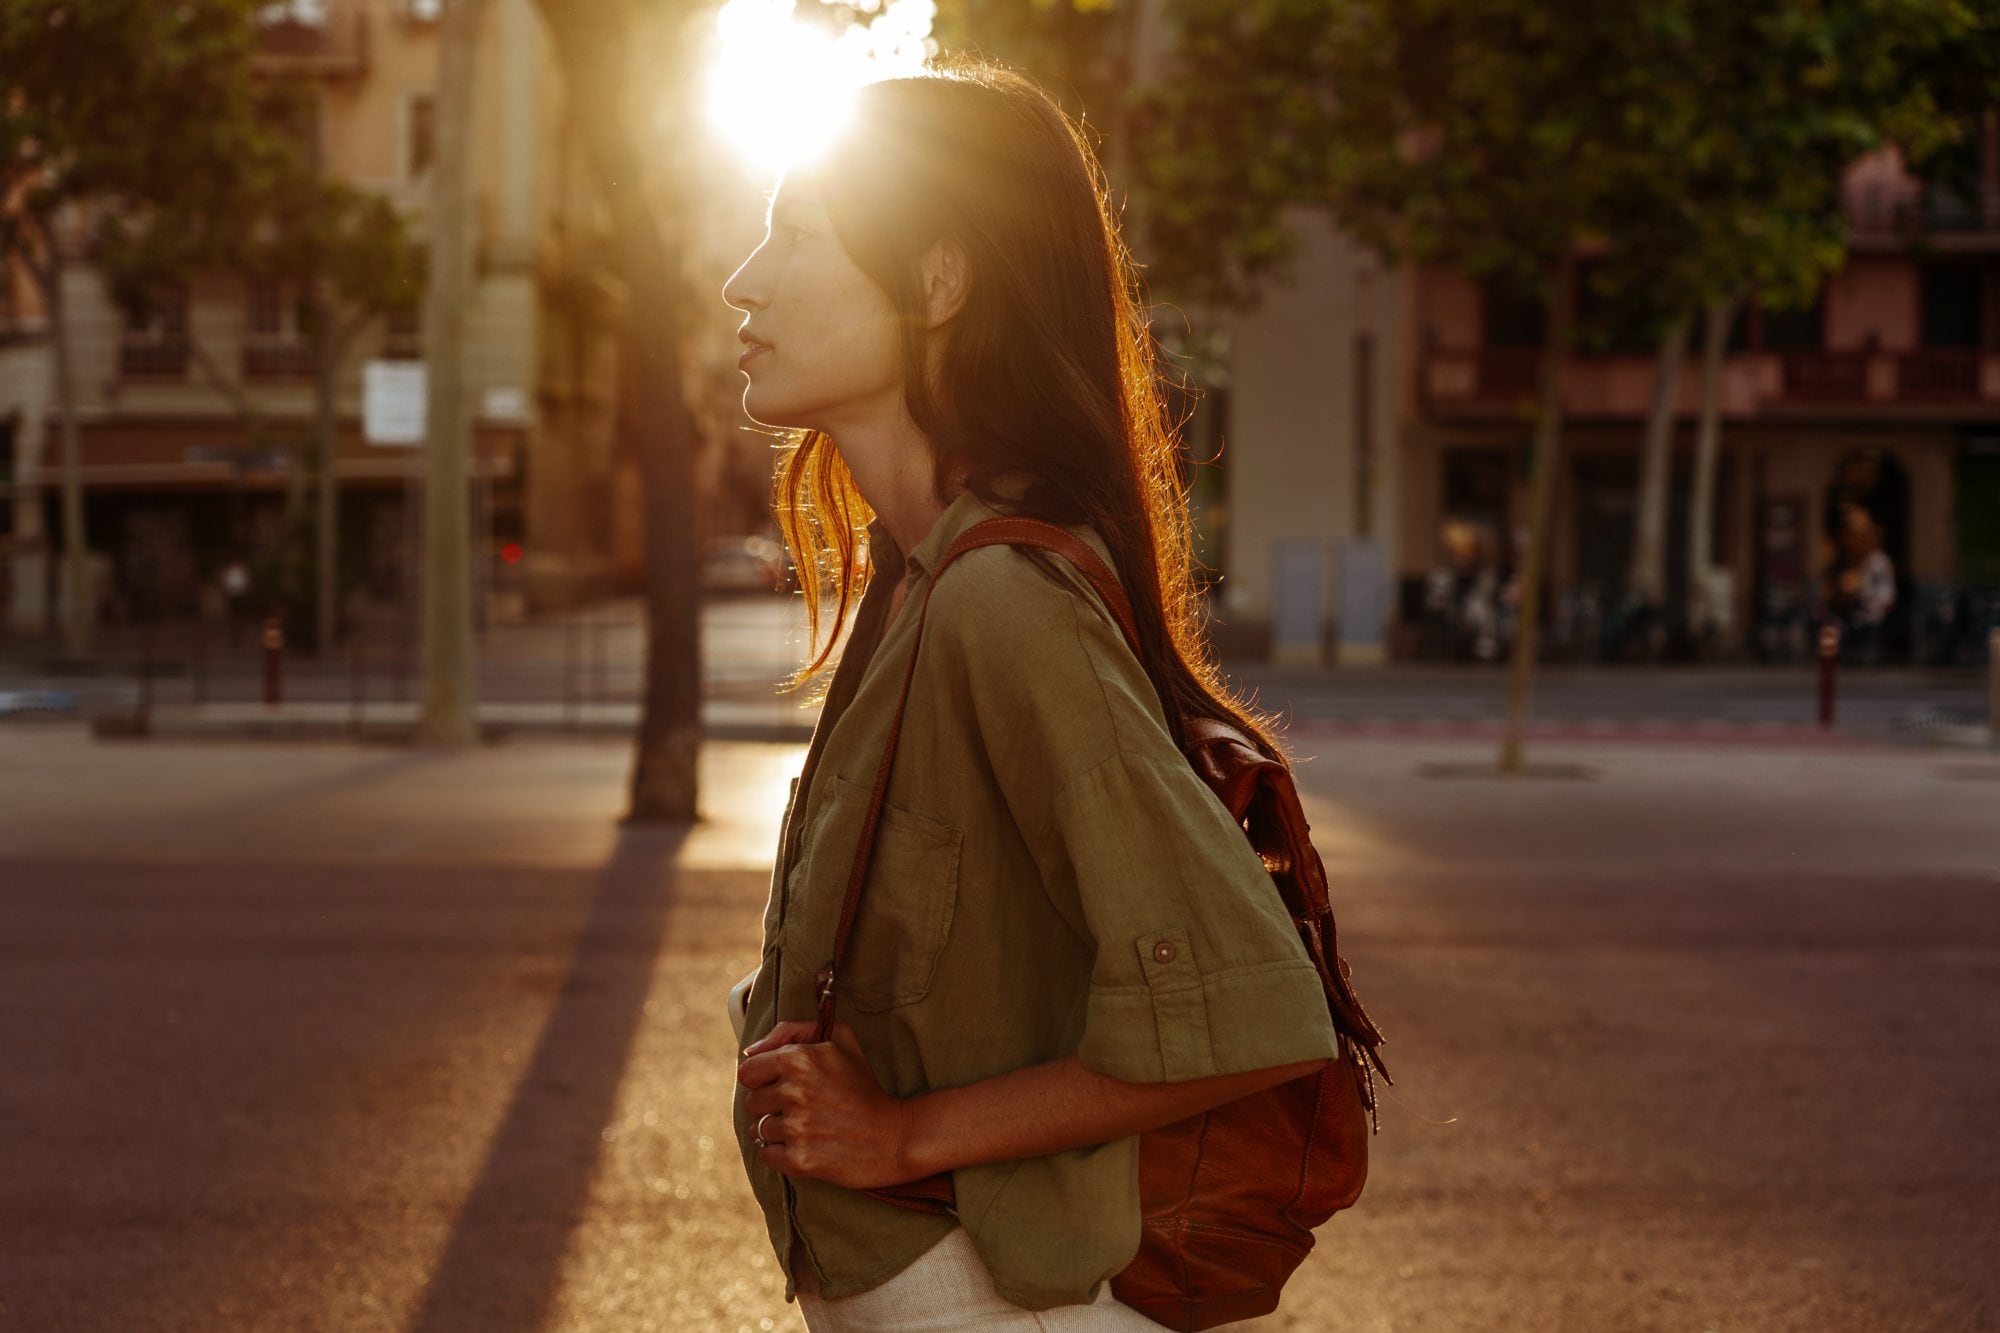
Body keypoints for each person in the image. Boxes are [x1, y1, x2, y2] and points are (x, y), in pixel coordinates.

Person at [721, 63, 1341, 1330]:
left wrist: (900, 1138)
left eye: (795, 234)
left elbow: (1254, 1011)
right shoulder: (918, 581)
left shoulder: (999, 599)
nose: (745, 279)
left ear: (939, 282)